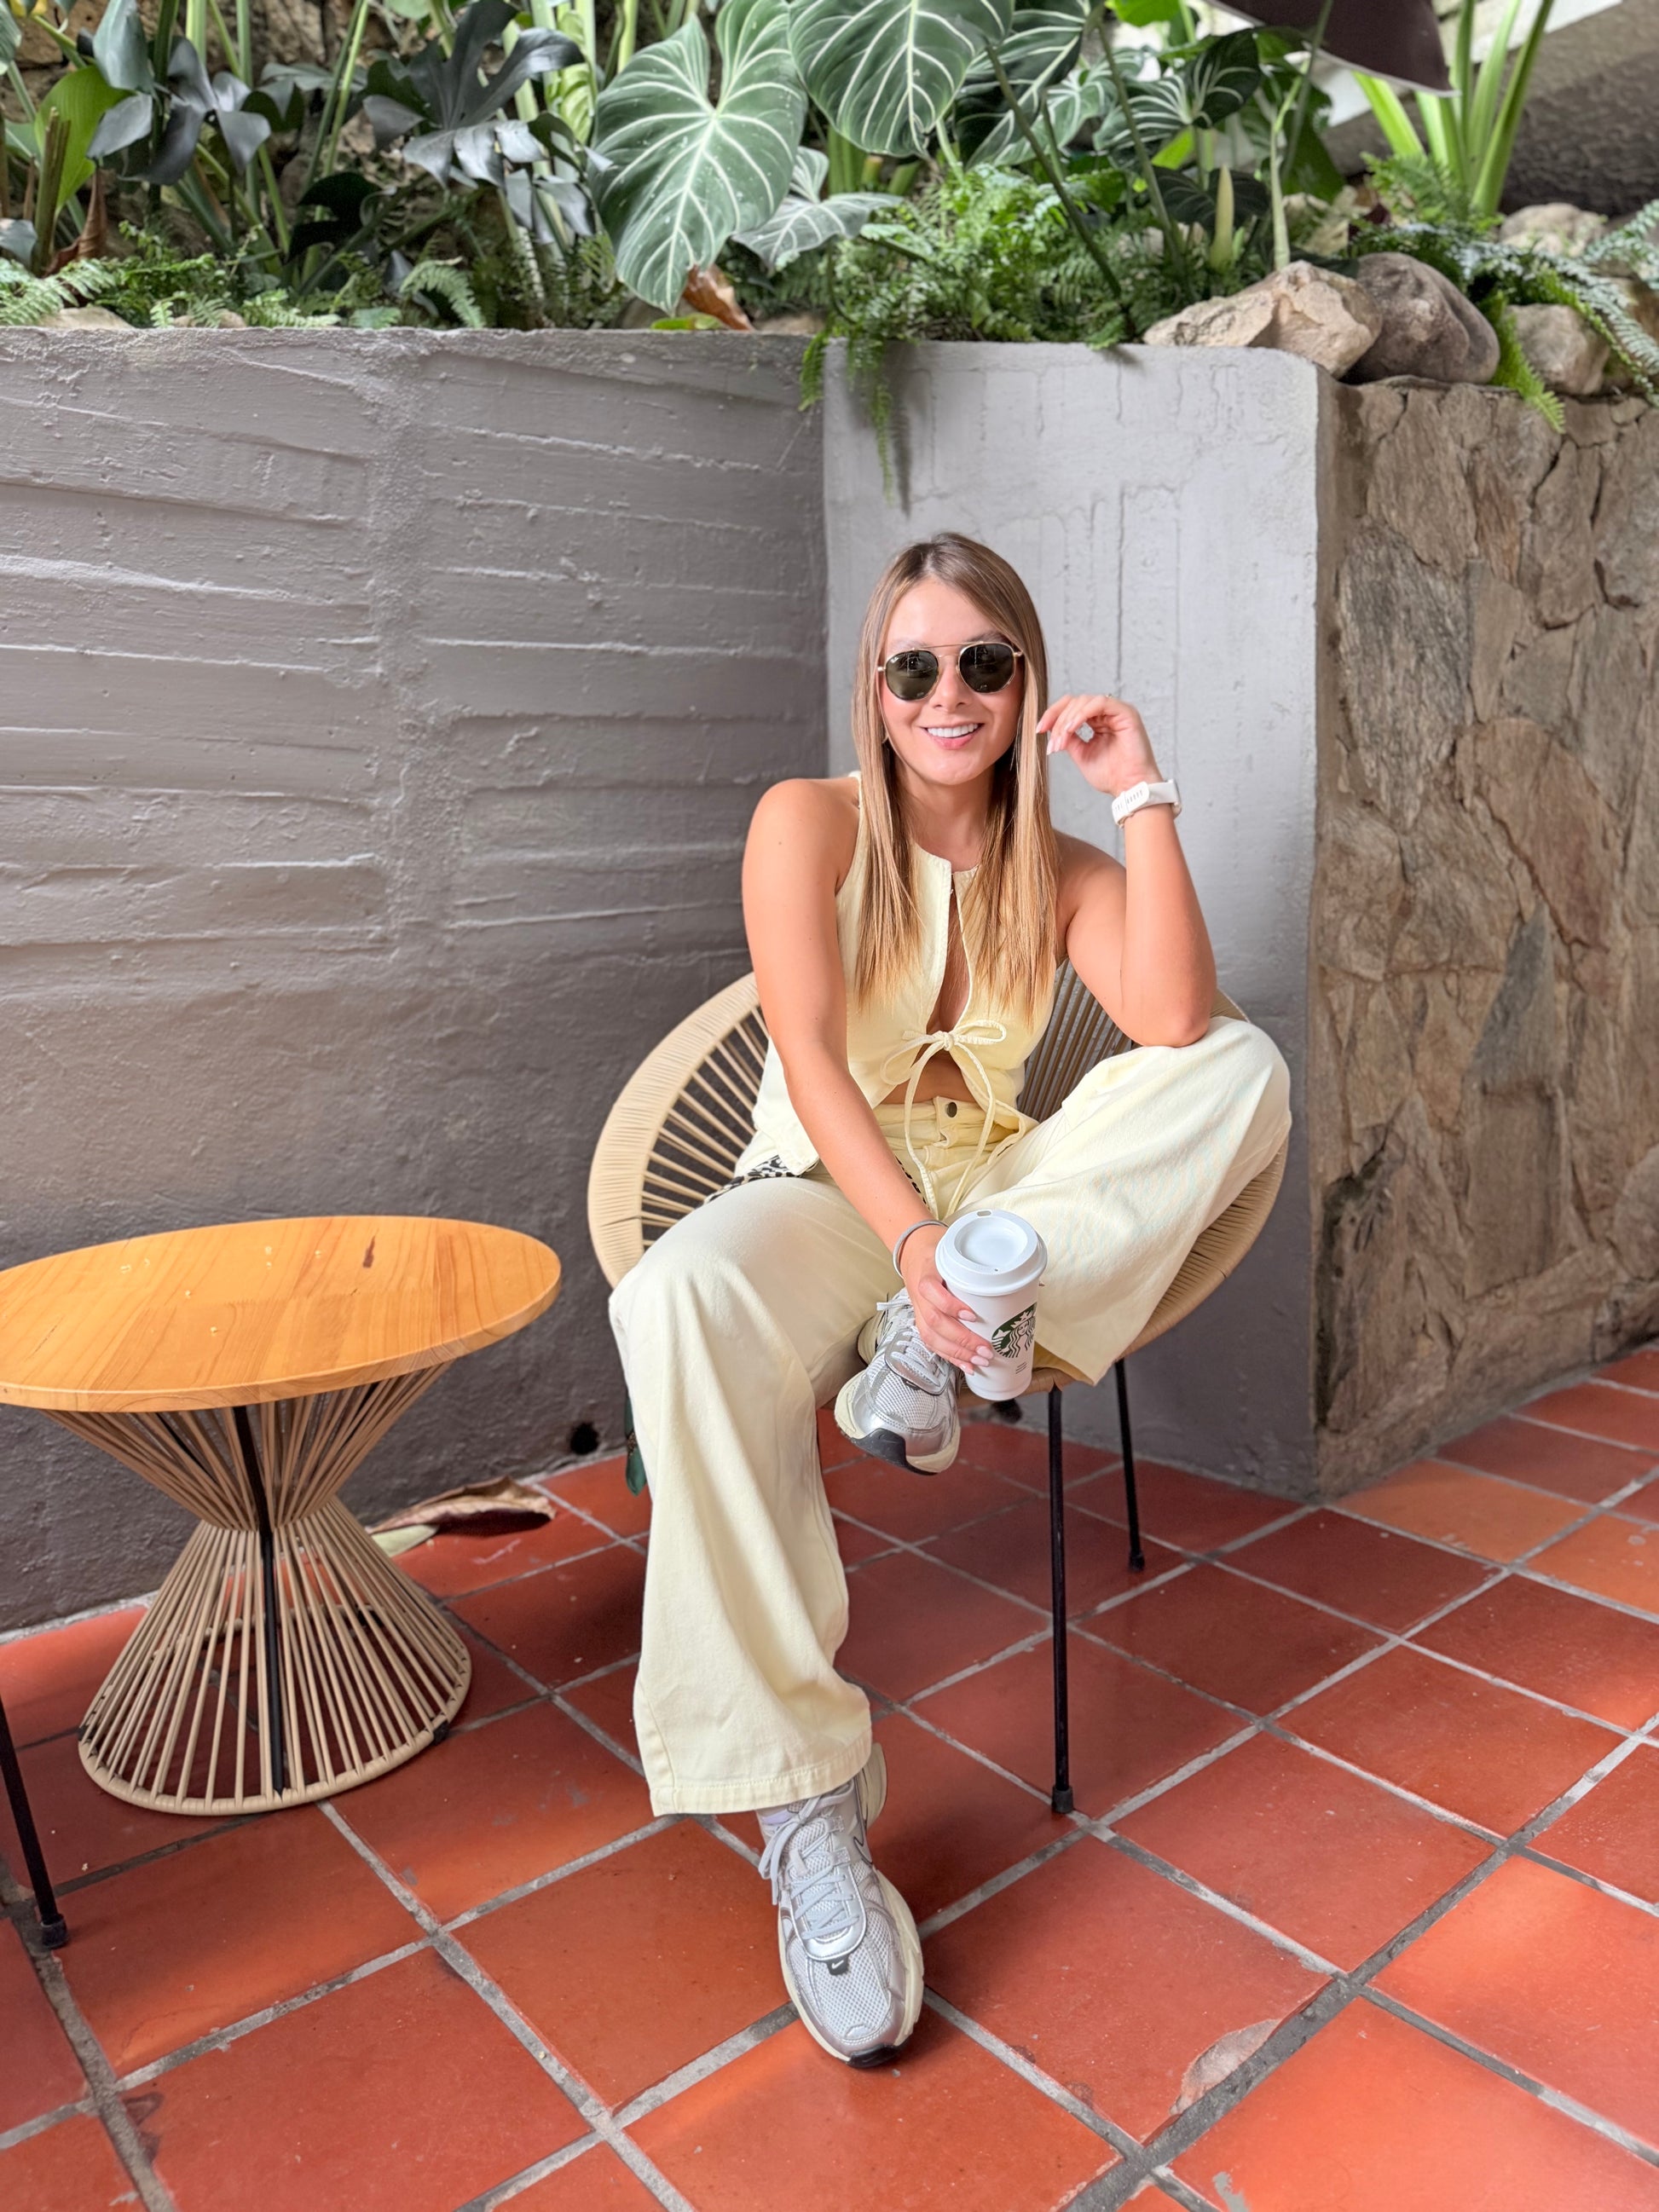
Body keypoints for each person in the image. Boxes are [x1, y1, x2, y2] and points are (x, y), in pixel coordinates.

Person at [609, 533, 1290, 2067]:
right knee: (674, 1299)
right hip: (829, 1191)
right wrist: (909, 1242)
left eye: (982, 662)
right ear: (873, 687)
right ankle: (802, 1808)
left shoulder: (1058, 869)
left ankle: (940, 1335)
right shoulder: (807, 821)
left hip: (995, 1204)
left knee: (1242, 1068)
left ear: (1024, 682)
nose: (946, 694)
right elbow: (803, 1054)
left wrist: (1138, 790)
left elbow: (1174, 1016)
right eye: (911, 666)